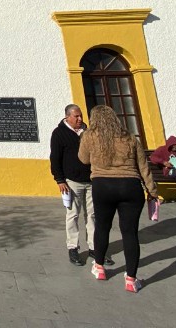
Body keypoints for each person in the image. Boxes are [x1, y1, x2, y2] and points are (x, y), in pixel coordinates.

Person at [78, 105, 158, 293]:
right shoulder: (130, 137)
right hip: (130, 187)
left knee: (102, 227)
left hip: (103, 185)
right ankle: (131, 279)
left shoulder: (90, 136)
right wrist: (152, 191)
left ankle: (99, 267)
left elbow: (83, 159)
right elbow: (143, 166)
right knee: (130, 233)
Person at [49, 104, 113, 267]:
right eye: (76, 116)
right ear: (67, 117)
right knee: (73, 215)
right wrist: (60, 179)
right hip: (72, 181)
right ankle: (73, 247)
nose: (80, 119)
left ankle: (94, 247)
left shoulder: (89, 132)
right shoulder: (59, 133)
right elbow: (55, 158)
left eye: (81, 116)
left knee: (92, 215)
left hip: (92, 180)